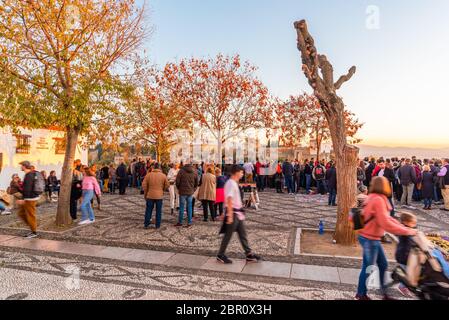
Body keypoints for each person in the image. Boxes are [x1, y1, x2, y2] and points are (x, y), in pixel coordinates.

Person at [355, 176, 417, 300]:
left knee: (382, 265)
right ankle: (361, 294)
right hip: (369, 238)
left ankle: (384, 293)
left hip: (371, 237)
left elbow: (387, 219)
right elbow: (385, 223)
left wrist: (401, 227)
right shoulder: (378, 199)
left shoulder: (375, 197)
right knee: (368, 267)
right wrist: (406, 231)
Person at [216, 165, 261, 264]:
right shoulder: (231, 183)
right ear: (236, 172)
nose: (242, 174)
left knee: (242, 234)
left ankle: (249, 254)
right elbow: (229, 199)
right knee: (228, 235)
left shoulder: (233, 183)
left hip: (238, 213)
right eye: (241, 172)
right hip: (233, 213)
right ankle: (220, 254)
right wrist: (230, 215)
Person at [16, 161, 42, 238]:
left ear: (24, 166)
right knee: (21, 213)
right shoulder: (30, 174)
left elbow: (27, 189)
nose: (20, 167)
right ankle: (32, 226)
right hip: (29, 198)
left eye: (21, 166)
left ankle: (34, 232)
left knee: (31, 215)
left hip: (30, 199)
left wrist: (24, 199)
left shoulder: (29, 175)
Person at [395, 212, 418, 297]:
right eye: (413, 223)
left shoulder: (408, 229)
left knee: (408, 271)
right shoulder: (404, 231)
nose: (415, 225)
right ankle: (402, 287)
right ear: (405, 222)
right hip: (403, 255)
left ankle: (405, 284)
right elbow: (409, 235)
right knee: (407, 273)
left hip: (407, 255)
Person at [142, 163, 169, 229]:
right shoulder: (163, 175)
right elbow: (167, 185)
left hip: (150, 195)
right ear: (159, 168)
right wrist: (162, 189)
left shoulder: (148, 175)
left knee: (148, 210)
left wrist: (146, 191)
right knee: (158, 211)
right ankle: (158, 225)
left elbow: (144, 185)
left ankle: (146, 224)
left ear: (153, 167)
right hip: (159, 196)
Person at [175, 161, 198, 227]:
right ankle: (189, 222)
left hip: (182, 192)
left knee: (181, 207)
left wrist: (179, 188)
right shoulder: (195, 171)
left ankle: (180, 222)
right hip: (190, 192)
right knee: (189, 207)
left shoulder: (181, 171)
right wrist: (193, 190)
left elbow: (177, 181)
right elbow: (197, 183)